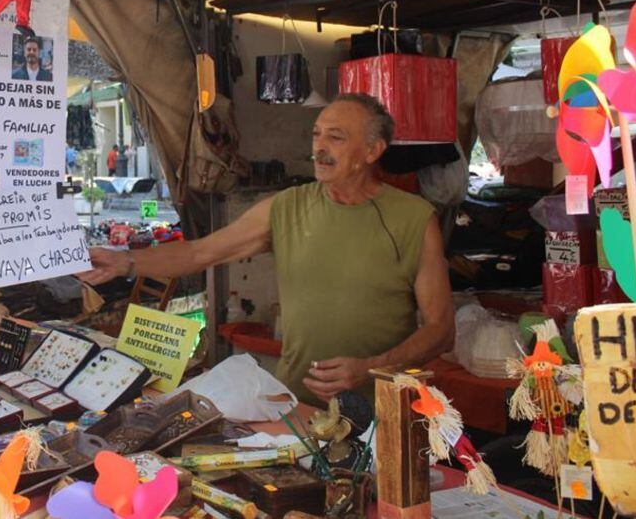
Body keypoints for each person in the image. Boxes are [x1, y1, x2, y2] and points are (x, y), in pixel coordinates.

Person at [82, 94, 454, 405]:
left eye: (336, 137)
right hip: (297, 404)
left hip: (383, 412)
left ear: (373, 150)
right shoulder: (287, 207)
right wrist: (125, 262)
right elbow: (199, 253)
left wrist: (372, 366)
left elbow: (441, 330)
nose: (319, 148)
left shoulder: (413, 219)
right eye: (316, 135)